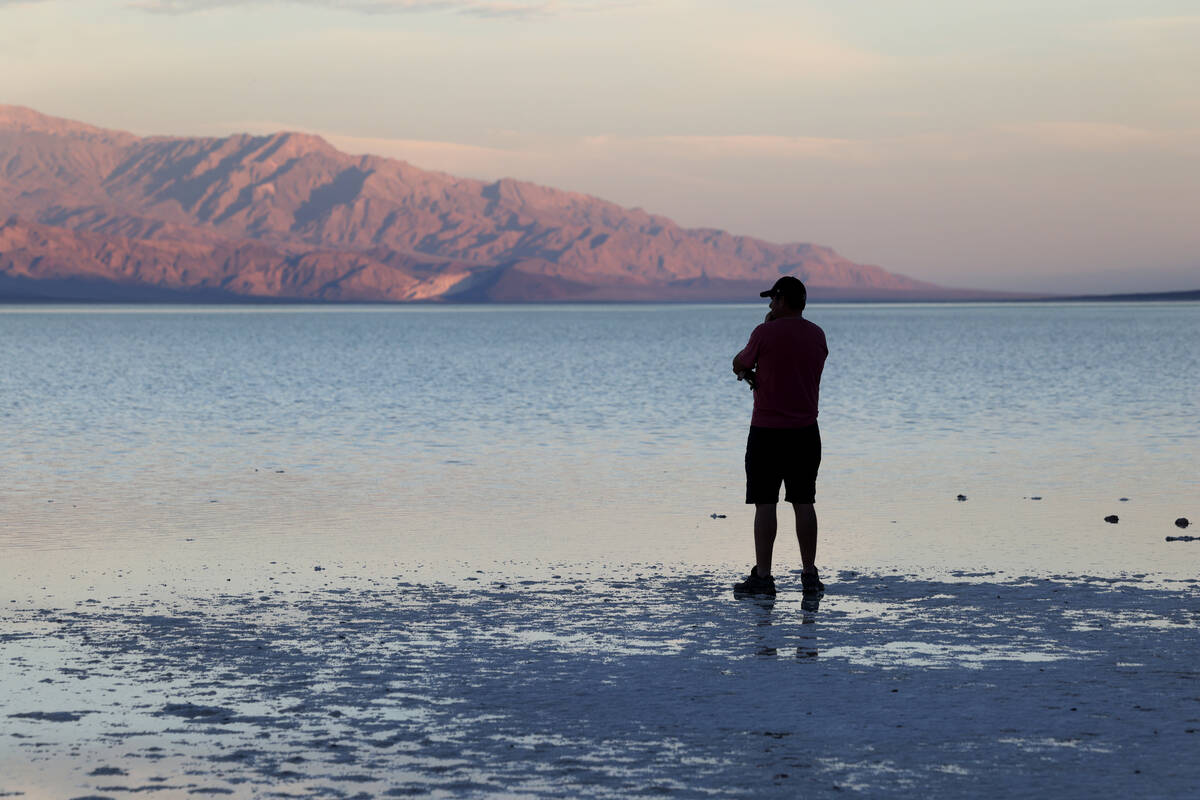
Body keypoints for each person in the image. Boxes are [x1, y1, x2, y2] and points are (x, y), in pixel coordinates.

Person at [731, 276, 828, 596]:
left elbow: (739, 363)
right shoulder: (817, 335)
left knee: (765, 503)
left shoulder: (764, 333)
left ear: (783, 300)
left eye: (773, 299)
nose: (770, 305)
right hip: (805, 433)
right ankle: (810, 575)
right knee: (804, 502)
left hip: (767, 432)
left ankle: (763, 577)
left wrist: (765, 332)